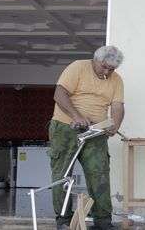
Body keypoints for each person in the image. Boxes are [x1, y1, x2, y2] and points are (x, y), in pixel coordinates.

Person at [49, 45, 125, 230]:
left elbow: (117, 107)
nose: (107, 72)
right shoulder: (78, 67)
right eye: (104, 67)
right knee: (63, 174)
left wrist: (114, 125)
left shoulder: (116, 80)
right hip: (65, 128)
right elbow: (59, 94)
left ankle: (103, 222)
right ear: (96, 60)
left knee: (99, 174)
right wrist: (77, 116)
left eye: (111, 69)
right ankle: (63, 222)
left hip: (96, 132)